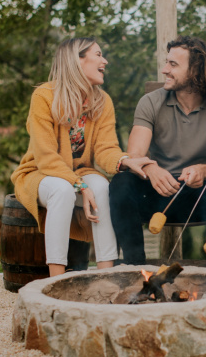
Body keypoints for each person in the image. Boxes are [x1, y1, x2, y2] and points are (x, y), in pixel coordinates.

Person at [11, 38, 153, 277]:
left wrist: (125, 161)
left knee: (103, 188)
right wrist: (79, 185)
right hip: (41, 174)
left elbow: (106, 149)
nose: (104, 61)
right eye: (98, 54)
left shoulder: (102, 101)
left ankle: (105, 275)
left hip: (80, 173)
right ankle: (56, 278)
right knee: (63, 190)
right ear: (77, 60)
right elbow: (46, 157)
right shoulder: (44, 96)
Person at [109, 36, 206, 269]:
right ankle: (133, 270)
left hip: (202, 195)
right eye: (167, 63)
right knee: (121, 183)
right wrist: (151, 169)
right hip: (158, 194)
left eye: (173, 65)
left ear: (196, 69)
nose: (165, 70)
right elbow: (134, 156)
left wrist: (202, 170)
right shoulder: (150, 102)